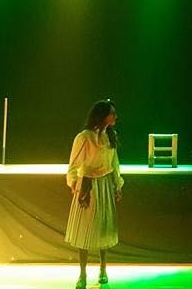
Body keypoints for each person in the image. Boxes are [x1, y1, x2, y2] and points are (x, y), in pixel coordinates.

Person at [65, 99, 124, 289]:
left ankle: (103, 269)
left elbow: (114, 163)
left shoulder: (110, 136)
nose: (115, 116)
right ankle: (82, 274)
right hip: (88, 185)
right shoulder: (84, 137)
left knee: (103, 227)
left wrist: (117, 184)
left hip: (105, 184)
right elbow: (73, 164)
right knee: (84, 229)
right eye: (111, 113)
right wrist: (74, 184)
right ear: (102, 115)